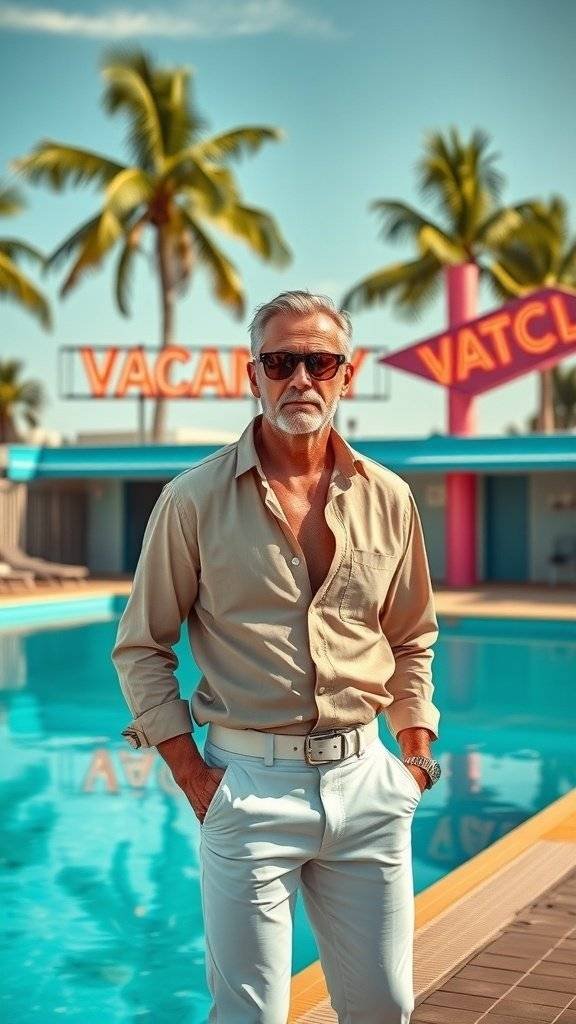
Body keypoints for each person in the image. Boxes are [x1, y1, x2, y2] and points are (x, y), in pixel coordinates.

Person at [111, 290, 442, 1024]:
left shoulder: (390, 497)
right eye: (281, 361)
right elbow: (141, 645)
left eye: (320, 361)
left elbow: (411, 635)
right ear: (251, 373)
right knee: (252, 1014)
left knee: (385, 1007)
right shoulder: (192, 500)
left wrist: (413, 761)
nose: (301, 378)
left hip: (368, 784)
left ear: (345, 376)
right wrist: (194, 777)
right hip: (246, 785)